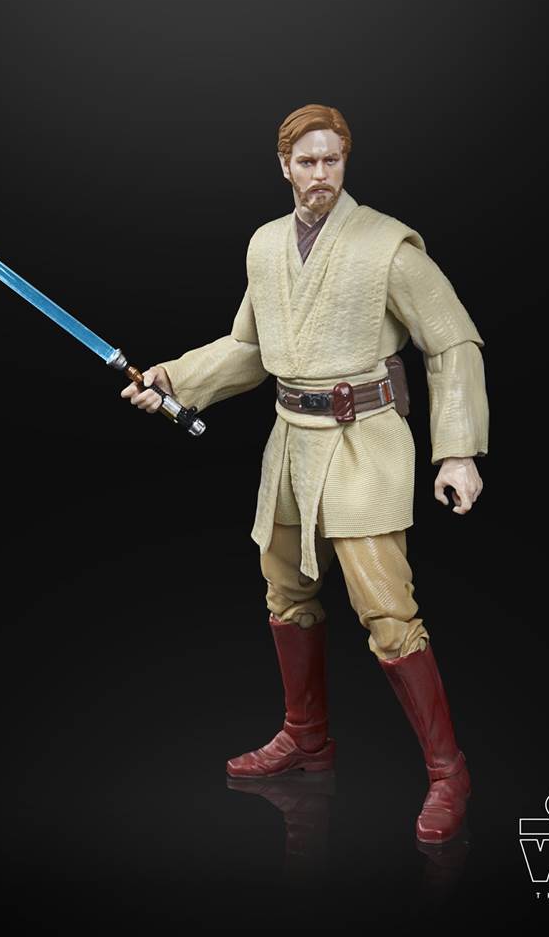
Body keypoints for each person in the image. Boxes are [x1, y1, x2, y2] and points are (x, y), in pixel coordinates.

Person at [121, 104, 488, 844]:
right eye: (308, 161)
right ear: (284, 166)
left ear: (345, 162)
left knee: (388, 610)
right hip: (290, 444)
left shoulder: (386, 246)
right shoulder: (265, 246)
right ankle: (306, 737)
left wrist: (457, 451)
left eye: (332, 160)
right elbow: (249, 348)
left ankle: (448, 771)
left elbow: (451, 341)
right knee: (285, 592)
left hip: (363, 442)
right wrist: (174, 379)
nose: (321, 174)